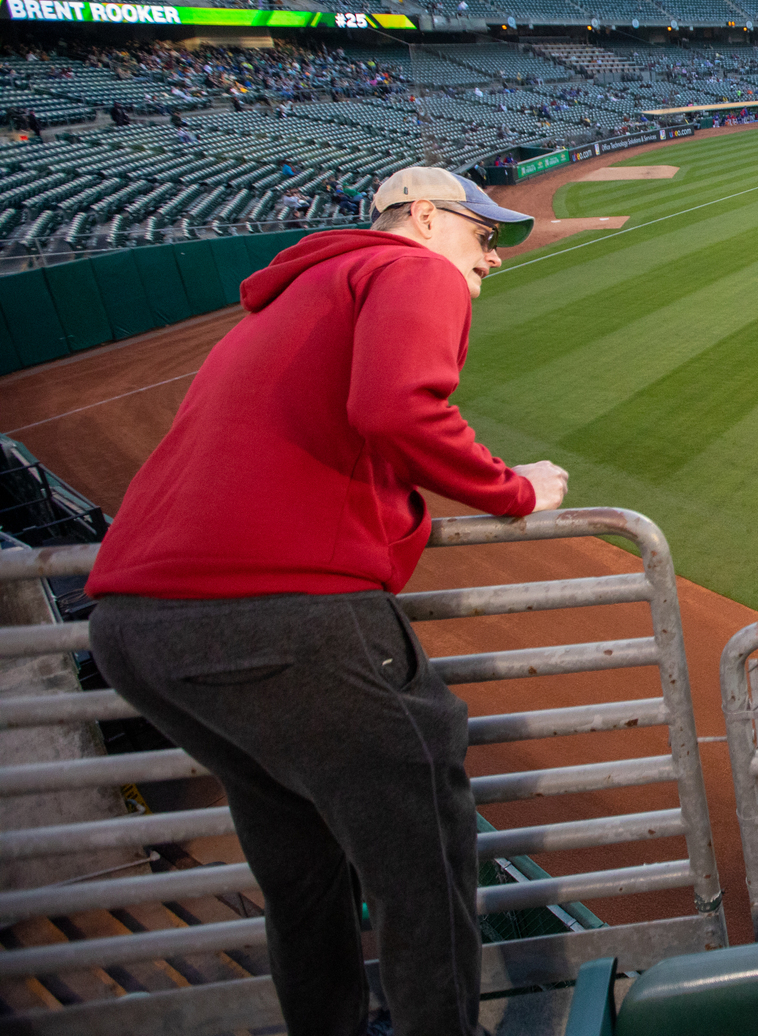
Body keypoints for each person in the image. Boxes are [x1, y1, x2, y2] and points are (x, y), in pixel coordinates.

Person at [86, 166, 567, 1036]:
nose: (490, 258)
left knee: (302, 868)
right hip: (278, 616)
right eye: (482, 234)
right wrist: (514, 489)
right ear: (424, 217)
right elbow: (394, 407)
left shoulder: (288, 301)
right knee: (421, 860)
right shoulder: (406, 267)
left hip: (136, 628)